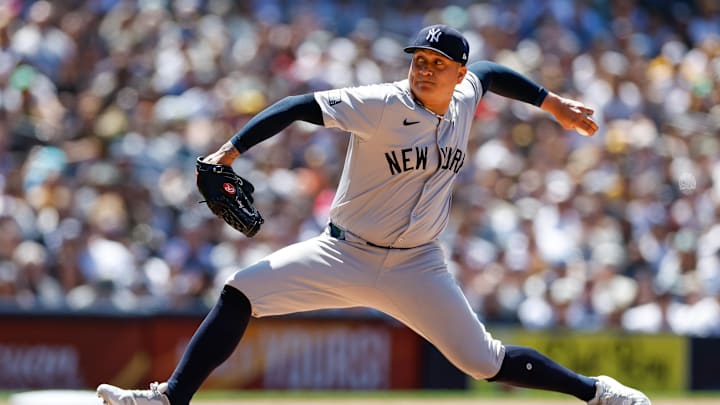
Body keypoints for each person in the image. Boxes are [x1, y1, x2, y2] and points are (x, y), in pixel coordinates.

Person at [97, 25, 650, 405]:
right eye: (418, 61)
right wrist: (229, 152)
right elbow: (297, 106)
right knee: (240, 291)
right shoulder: (383, 103)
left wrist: (551, 103)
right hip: (342, 252)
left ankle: (596, 392)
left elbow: (491, 69)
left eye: (437, 64)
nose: (424, 70)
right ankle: (170, 397)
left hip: (418, 267)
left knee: (485, 361)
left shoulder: (463, 96)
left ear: (457, 75)